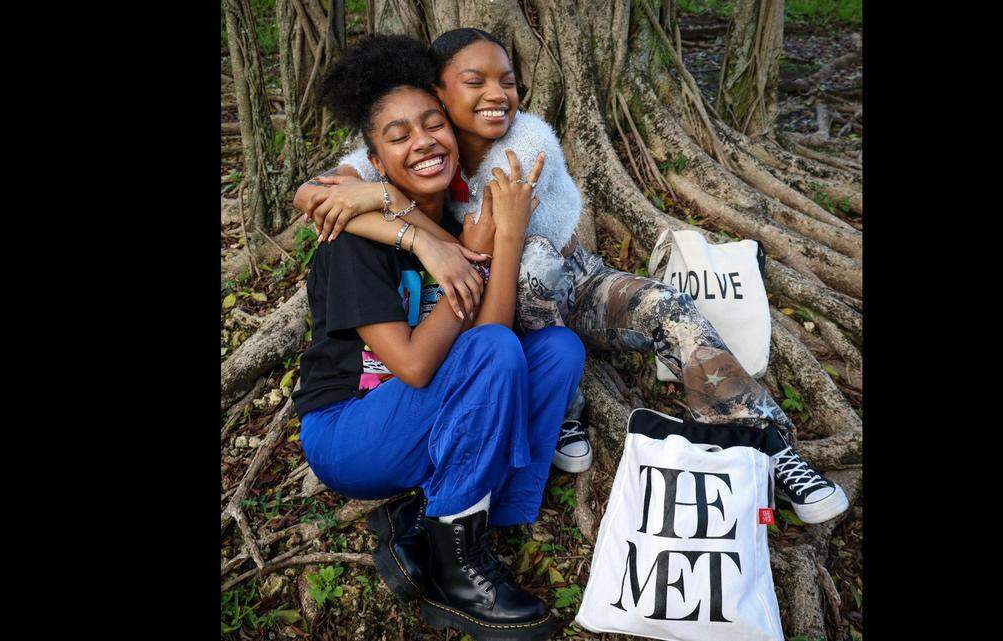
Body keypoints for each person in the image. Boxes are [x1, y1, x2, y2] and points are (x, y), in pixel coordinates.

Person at [297, 29, 848, 526]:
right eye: (475, 81)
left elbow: (476, 245)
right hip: (503, 296)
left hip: (570, 278)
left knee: (658, 303)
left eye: (508, 82)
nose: (496, 94)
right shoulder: (416, 139)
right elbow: (313, 196)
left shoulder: (523, 144)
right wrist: (385, 200)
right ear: (437, 92)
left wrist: (390, 202)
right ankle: (558, 412)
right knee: (525, 292)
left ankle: (768, 443)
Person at [292, 34, 582, 640]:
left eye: (433, 125)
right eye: (398, 137)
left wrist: (499, 241)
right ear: (374, 161)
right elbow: (417, 367)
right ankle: (457, 576)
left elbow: (495, 332)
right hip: (351, 430)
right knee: (495, 350)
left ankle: (460, 526)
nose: (423, 142)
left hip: (419, 415)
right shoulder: (351, 238)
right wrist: (452, 250)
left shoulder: (455, 213)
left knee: (557, 351)